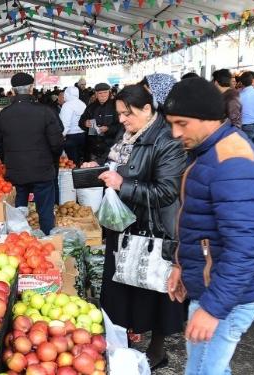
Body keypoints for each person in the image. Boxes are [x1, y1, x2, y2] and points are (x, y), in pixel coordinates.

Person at [164, 77, 254, 375]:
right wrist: (181, 264)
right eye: (172, 123)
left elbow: (244, 249)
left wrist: (212, 309)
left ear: (207, 117)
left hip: (227, 297)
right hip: (214, 289)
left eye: (182, 123)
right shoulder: (210, 151)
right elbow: (200, 224)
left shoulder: (232, 161)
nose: (175, 133)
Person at [81, 84, 186, 370]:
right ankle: (124, 341)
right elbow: (119, 162)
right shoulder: (128, 134)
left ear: (147, 109)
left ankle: (157, 350)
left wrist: (123, 185)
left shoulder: (167, 140)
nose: (123, 119)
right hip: (124, 225)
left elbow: (167, 191)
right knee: (124, 286)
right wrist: (100, 166)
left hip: (151, 229)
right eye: (120, 114)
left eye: (127, 113)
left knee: (153, 288)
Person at [0, 73, 63, 235]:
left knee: (18, 209)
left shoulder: (3, 115)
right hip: (42, 171)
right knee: (45, 210)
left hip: (16, 172)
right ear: (31, 89)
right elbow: (57, 143)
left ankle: (19, 241)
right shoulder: (46, 112)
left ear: (13, 92)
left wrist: (8, 158)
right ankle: (47, 242)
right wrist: (50, 159)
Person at [80, 83, 120, 163]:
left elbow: (121, 125)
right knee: (94, 172)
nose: (103, 95)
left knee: (110, 171)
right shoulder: (91, 107)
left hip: (111, 147)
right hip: (93, 148)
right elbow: (81, 122)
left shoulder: (116, 106)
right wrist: (85, 123)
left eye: (105, 92)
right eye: (100, 93)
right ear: (96, 94)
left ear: (109, 93)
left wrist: (108, 129)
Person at [59, 86, 86, 165]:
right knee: (80, 160)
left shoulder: (67, 105)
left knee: (72, 163)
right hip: (82, 135)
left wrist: (61, 136)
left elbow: (65, 124)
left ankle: (73, 177)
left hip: (71, 137)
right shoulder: (82, 103)